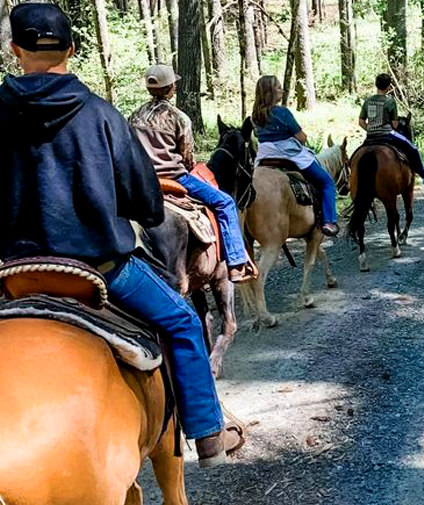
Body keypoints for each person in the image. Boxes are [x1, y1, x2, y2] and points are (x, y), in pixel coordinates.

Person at [0, 3, 242, 468]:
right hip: (101, 270)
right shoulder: (102, 116)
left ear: (15, 51)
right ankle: (208, 434)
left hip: (12, 274)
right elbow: (148, 205)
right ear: (71, 49)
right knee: (183, 322)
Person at [129, 64, 257, 282]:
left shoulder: (134, 116)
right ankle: (236, 263)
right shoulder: (179, 118)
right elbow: (187, 157)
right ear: (171, 87)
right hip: (174, 177)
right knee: (225, 202)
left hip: (142, 181)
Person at [251, 75, 339, 237]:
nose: (282, 90)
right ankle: (329, 221)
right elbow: (301, 137)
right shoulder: (282, 112)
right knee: (326, 182)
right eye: (278, 88)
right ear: (270, 92)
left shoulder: (255, 115)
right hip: (289, 156)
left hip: (264, 157)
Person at [358, 73, 424, 187]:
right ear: (388, 87)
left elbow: (361, 121)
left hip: (371, 136)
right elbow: (395, 124)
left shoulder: (368, 101)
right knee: (412, 147)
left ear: (376, 85)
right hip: (387, 134)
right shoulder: (390, 102)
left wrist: (371, 129)